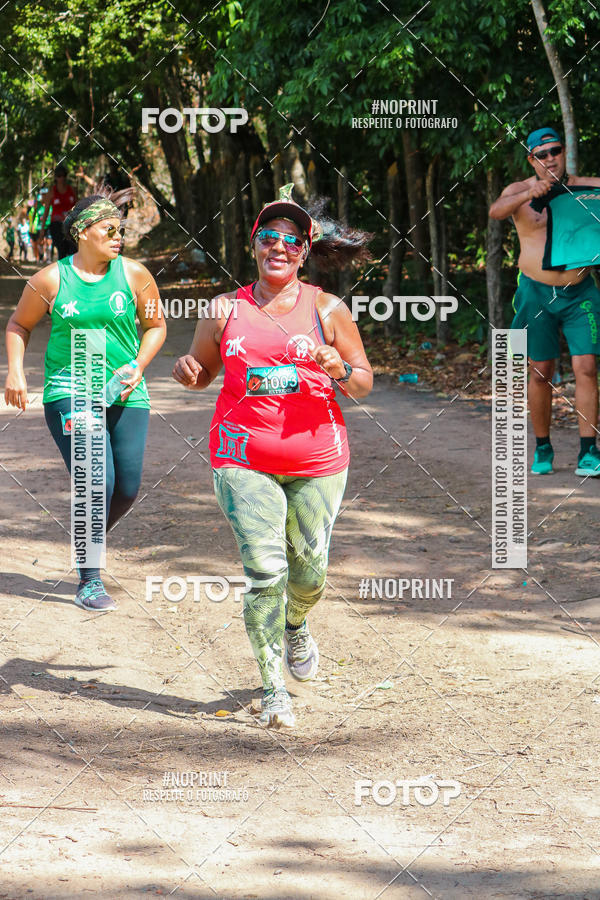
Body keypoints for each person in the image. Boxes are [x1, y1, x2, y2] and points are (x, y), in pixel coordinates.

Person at [172, 184, 373, 729]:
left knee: (308, 575)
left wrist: (339, 368)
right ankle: (272, 687)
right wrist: (188, 371)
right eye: (268, 237)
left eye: (290, 240)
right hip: (240, 454)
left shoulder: (327, 309)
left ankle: (296, 624)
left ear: (304, 252)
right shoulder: (224, 309)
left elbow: (362, 383)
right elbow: (202, 372)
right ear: (254, 245)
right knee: (265, 570)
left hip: (318, 460)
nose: (278, 246)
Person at [4, 188, 166, 610]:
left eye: (120, 230)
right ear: (82, 232)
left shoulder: (135, 275)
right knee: (98, 480)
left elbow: (156, 326)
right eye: (109, 229)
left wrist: (139, 365)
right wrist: (16, 371)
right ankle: (89, 580)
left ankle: (85, 542)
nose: (118, 237)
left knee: (126, 488)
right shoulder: (51, 279)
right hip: (70, 389)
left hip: (126, 390)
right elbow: (19, 325)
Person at [489, 126, 600, 477]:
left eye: (556, 151)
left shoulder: (587, 187)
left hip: (580, 291)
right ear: (531, 159)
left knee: (587, 367)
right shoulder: (519, 190)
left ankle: (588, 451)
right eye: (542, 154)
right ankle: (543, 447)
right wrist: (530, 193)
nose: (550, 158)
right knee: (541, 371)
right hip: (535, 292)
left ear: (564, 152)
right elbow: (496, 211)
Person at [42, 165, 78, 260]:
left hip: (71, 225)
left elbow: (78, 207)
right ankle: (62, 268)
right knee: (61, 250)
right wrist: (42, 229)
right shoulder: (51, 192)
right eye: (59, 176)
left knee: (73, 250)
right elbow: (46, 211)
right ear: (55, 177)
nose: (61, 178)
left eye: (63, 175)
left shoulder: (72, 190)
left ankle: (72, 268)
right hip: (57, 225)